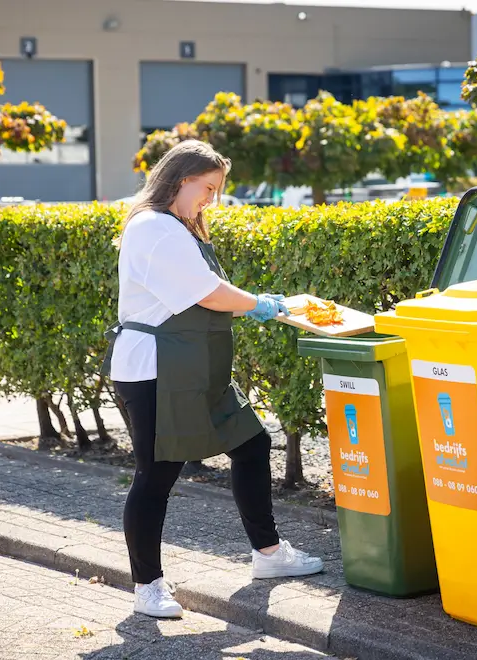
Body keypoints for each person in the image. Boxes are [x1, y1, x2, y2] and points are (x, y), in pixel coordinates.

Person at [104, 140, 324, 619]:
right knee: (156, 476)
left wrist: (259, 301)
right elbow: (207, 293)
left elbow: (208, 293)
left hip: (193, 367)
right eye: (208, 188)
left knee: (250, 443)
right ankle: (147, 585)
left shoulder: (175, 227)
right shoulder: (155, 228)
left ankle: (268, 555)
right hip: (157, 369)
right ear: (181, 179)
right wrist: (261, 304)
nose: (211, 199)